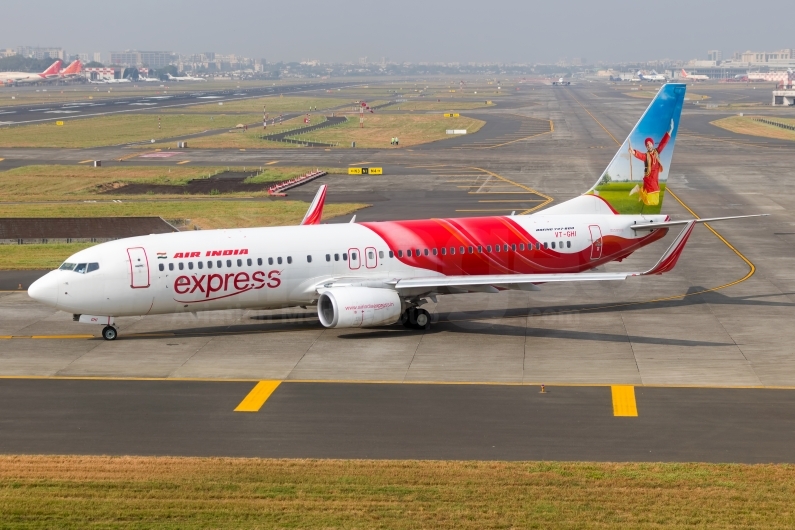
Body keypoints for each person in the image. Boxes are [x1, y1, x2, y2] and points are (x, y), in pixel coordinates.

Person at [629, 119, 673, 206]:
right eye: (647, 145)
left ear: (652, 144)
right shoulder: (646, 156)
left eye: (649, 144)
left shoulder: (657, 151)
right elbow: (640, 155)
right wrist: (633, 152)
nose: (648, 145)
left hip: (655, 179)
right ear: (646, 147)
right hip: (649, 178)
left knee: (655, 202)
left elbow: (663, 143)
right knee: (648, 202)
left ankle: (639, 191)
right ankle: (638, 190)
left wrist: (671, 130)